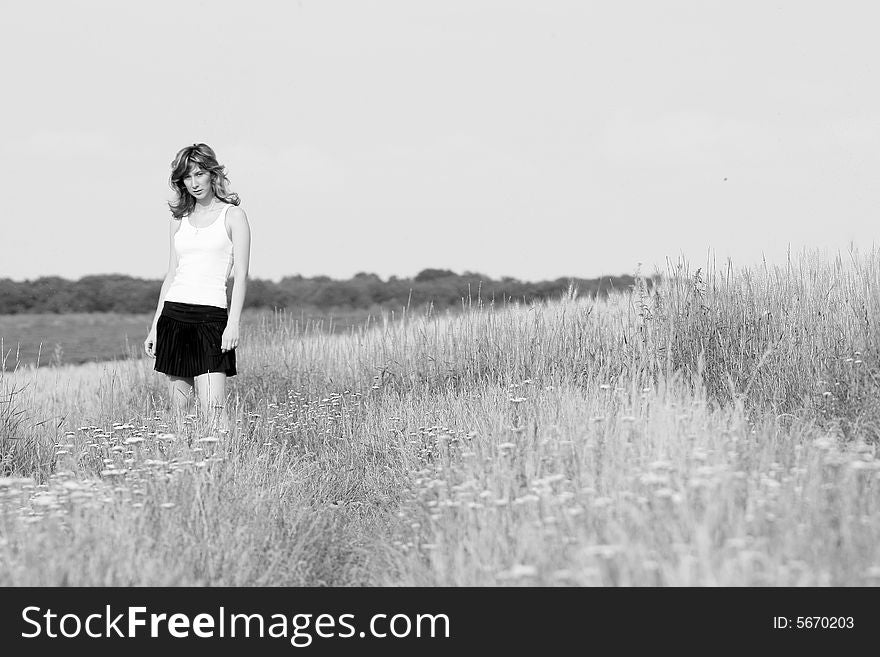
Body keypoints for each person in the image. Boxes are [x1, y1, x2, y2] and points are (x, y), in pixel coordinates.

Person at [143, 143, 251, 434]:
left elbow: (240, 276)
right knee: (180, 417)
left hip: (211, 321)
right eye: (187, 177)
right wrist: (155, 326)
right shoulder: (178, 221)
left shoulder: (233, 216)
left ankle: (225, 474)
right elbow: (171, 274)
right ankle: (186, 473)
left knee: (214, 412)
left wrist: (233, 324)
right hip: (174, 318)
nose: (193, 183)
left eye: (199, 174)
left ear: (212, 174)